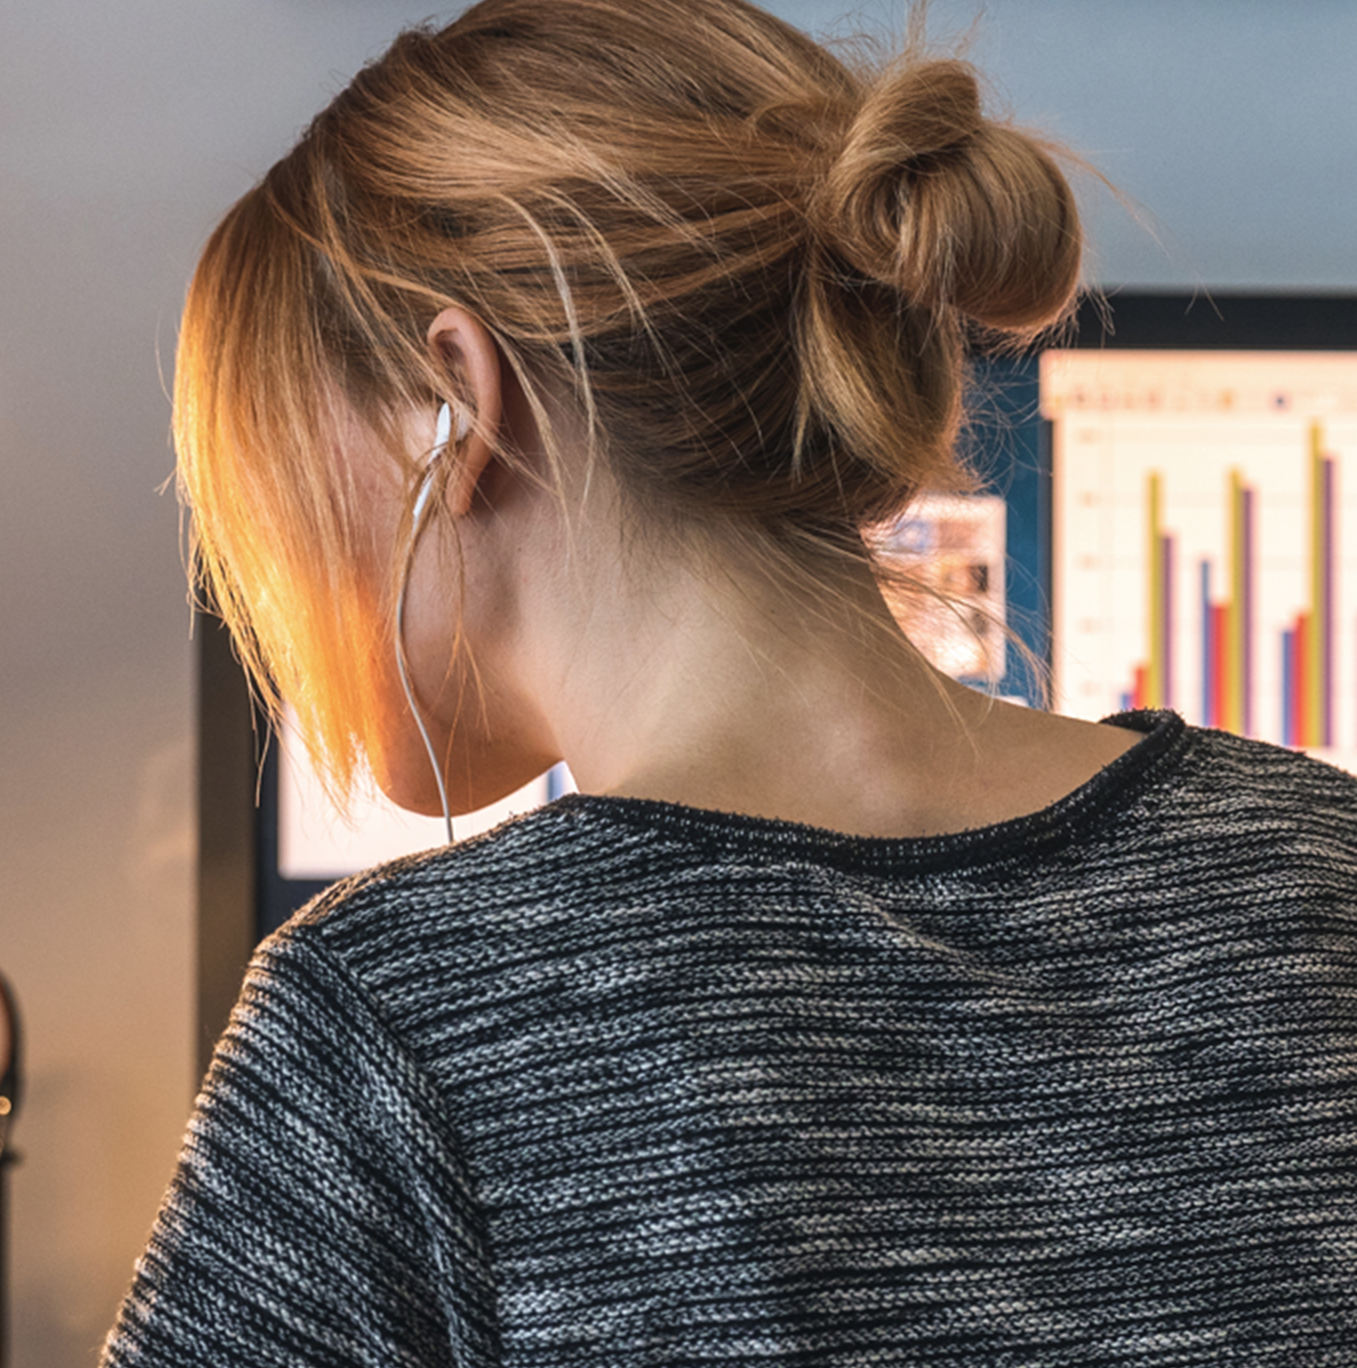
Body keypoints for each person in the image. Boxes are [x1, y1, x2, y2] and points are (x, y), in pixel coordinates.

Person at [102, 1, 1357, 1362]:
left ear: (451, 401)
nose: (262, 578)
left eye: (267, 474)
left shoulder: (383, 1029)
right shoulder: (1324, 874)